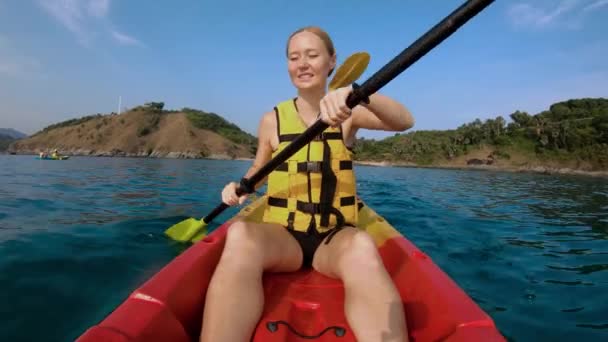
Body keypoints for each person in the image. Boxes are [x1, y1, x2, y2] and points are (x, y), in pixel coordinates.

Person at [199, 26, 415, 342]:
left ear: (331, 62)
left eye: (312, 55)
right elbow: (259, 169)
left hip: (333, 240)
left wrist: (357, 93)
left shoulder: (350, 111)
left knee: (362, 245)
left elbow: (404, 121)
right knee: (240, 234)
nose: (302, 64)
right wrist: (239, 187)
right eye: (294, 57)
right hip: (285, 238)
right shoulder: (271, 119)